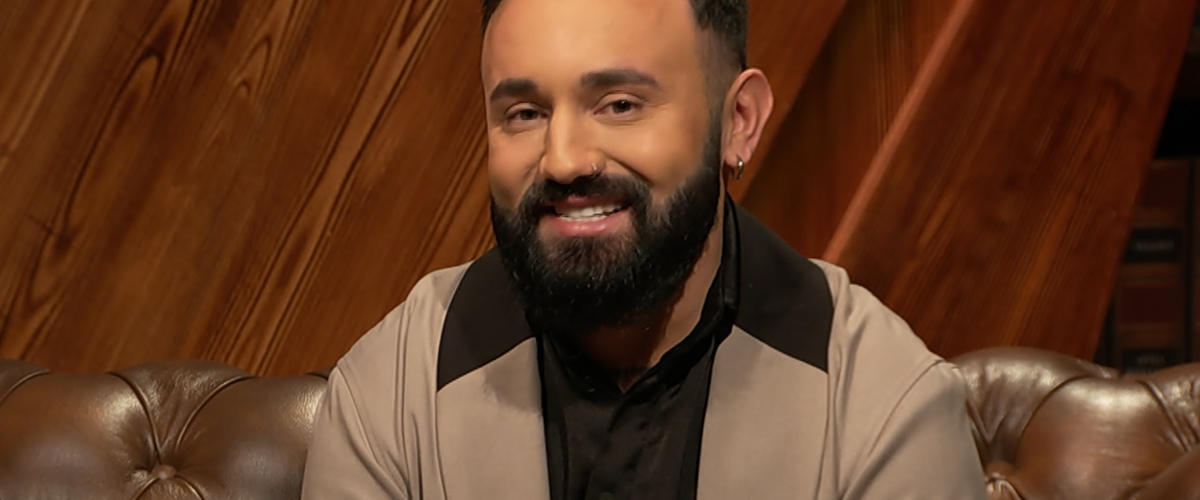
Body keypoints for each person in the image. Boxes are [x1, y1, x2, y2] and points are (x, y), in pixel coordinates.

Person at [301, 0, 987, 498]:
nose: (564, 159)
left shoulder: (884, 411)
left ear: (737, 121)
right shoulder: (391, 396)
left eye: (620, 104)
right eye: (525, 113)